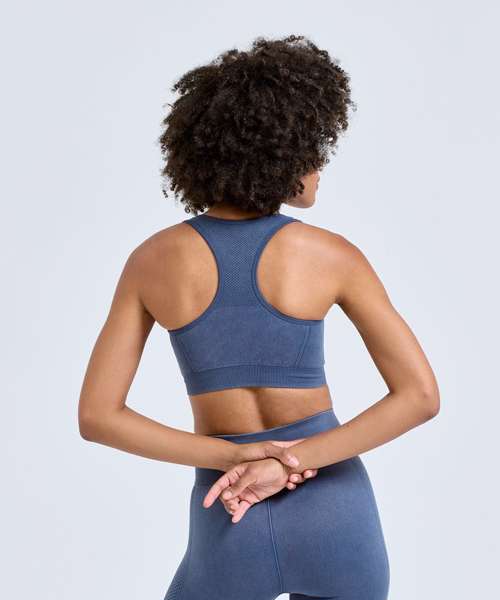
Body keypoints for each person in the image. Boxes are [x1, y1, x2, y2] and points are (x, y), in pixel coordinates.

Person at [78, 35, 440, 600]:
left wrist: (235, 456)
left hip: (228, 507)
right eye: (311, 147)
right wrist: (291, 461)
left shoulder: (152, 261)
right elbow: (420, 396)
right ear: (279, 152)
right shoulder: (332, 255)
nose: (319, 165)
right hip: (336, 511)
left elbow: (98, 417)